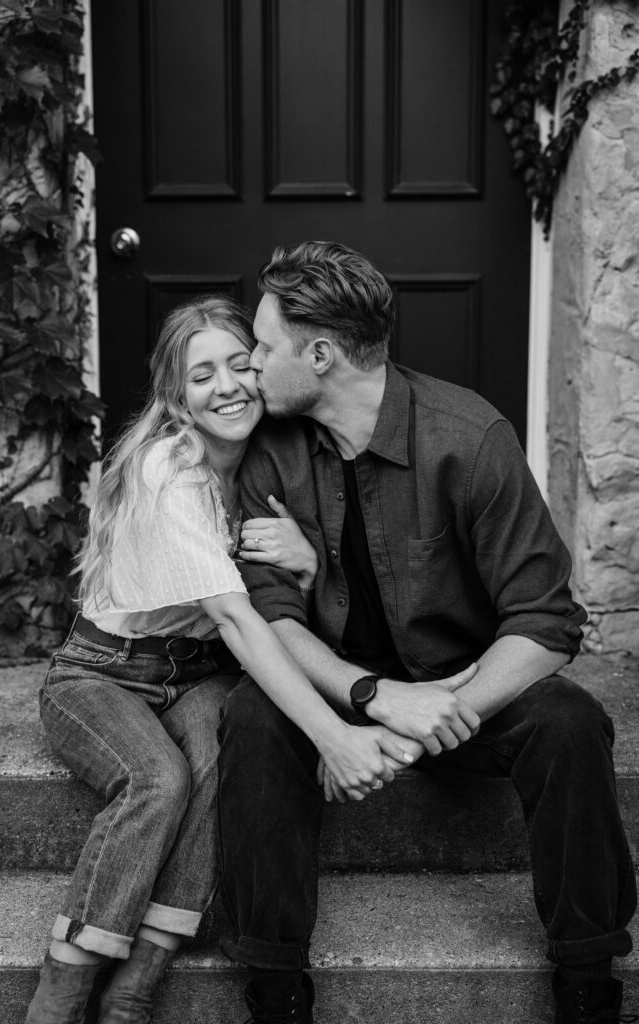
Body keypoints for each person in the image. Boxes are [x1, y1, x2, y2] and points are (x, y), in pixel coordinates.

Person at [217, 242, 637, 1024]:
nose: (251, 366)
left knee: (570, 721)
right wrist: (373, 698)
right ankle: (275, 992)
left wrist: (437, 715)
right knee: (250, 714)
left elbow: (546, 620)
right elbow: (271, 619)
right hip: (335, 685)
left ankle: (586, 986)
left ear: (320, 355)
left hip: (459, 686)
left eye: (264, 348)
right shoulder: (269, 449)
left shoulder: (468, 437)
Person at [25, 295, 417, 1024]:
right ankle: (61, 994)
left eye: (241, 363)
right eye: (202, 375)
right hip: (103, 671)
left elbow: (306, 599)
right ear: (177, 396)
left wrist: (307, 564)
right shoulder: (167, 469)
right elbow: (237, 616)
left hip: (201, 672)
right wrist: (333, 735)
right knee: (158, 779)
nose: (228, 386)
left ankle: (133, 992)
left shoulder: (277, 458)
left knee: (221, 765)